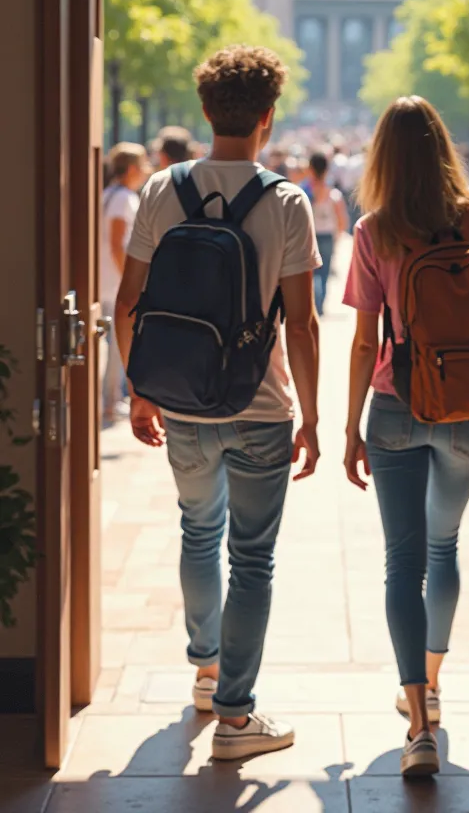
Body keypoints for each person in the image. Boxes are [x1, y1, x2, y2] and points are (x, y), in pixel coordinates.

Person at [114, 46, 321, 761]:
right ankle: (236, 718)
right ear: (269, 117)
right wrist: (316, 420)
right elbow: (304, 320)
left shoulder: (161, 189)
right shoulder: (287, 200)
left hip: (182, 403)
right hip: (262, 407)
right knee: (253, 559)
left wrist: (140, 391)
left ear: (205, 111)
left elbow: (127, 303)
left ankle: (205, 673)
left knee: (197, 533)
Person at [342, 96, 469, 777]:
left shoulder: (375, 230)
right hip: (468, 408)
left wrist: (346, 429)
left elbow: (365, 340)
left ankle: (417, 721)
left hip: (395, 406)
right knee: (445, 544)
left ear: (383, 158)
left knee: (403, 561)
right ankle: (436, 680)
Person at [101, 142, 150, 424]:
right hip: (115, 282)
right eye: (142, 165)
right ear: (131, 168)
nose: (145, 172)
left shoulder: (109, 194)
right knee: (118, 345)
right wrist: (128, 280)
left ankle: (110, 400)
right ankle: (112, 401)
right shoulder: (123, 199)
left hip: (106, 280)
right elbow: (119, 243)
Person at [303, 152, 349, 316]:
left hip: (309, 236)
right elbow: (342, 219)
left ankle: (313, 302)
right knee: (324, 271)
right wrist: (338, 235)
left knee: (310, 271)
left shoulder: (304, 192)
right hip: (327, 236)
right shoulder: (333, 194)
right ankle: (320, 304)